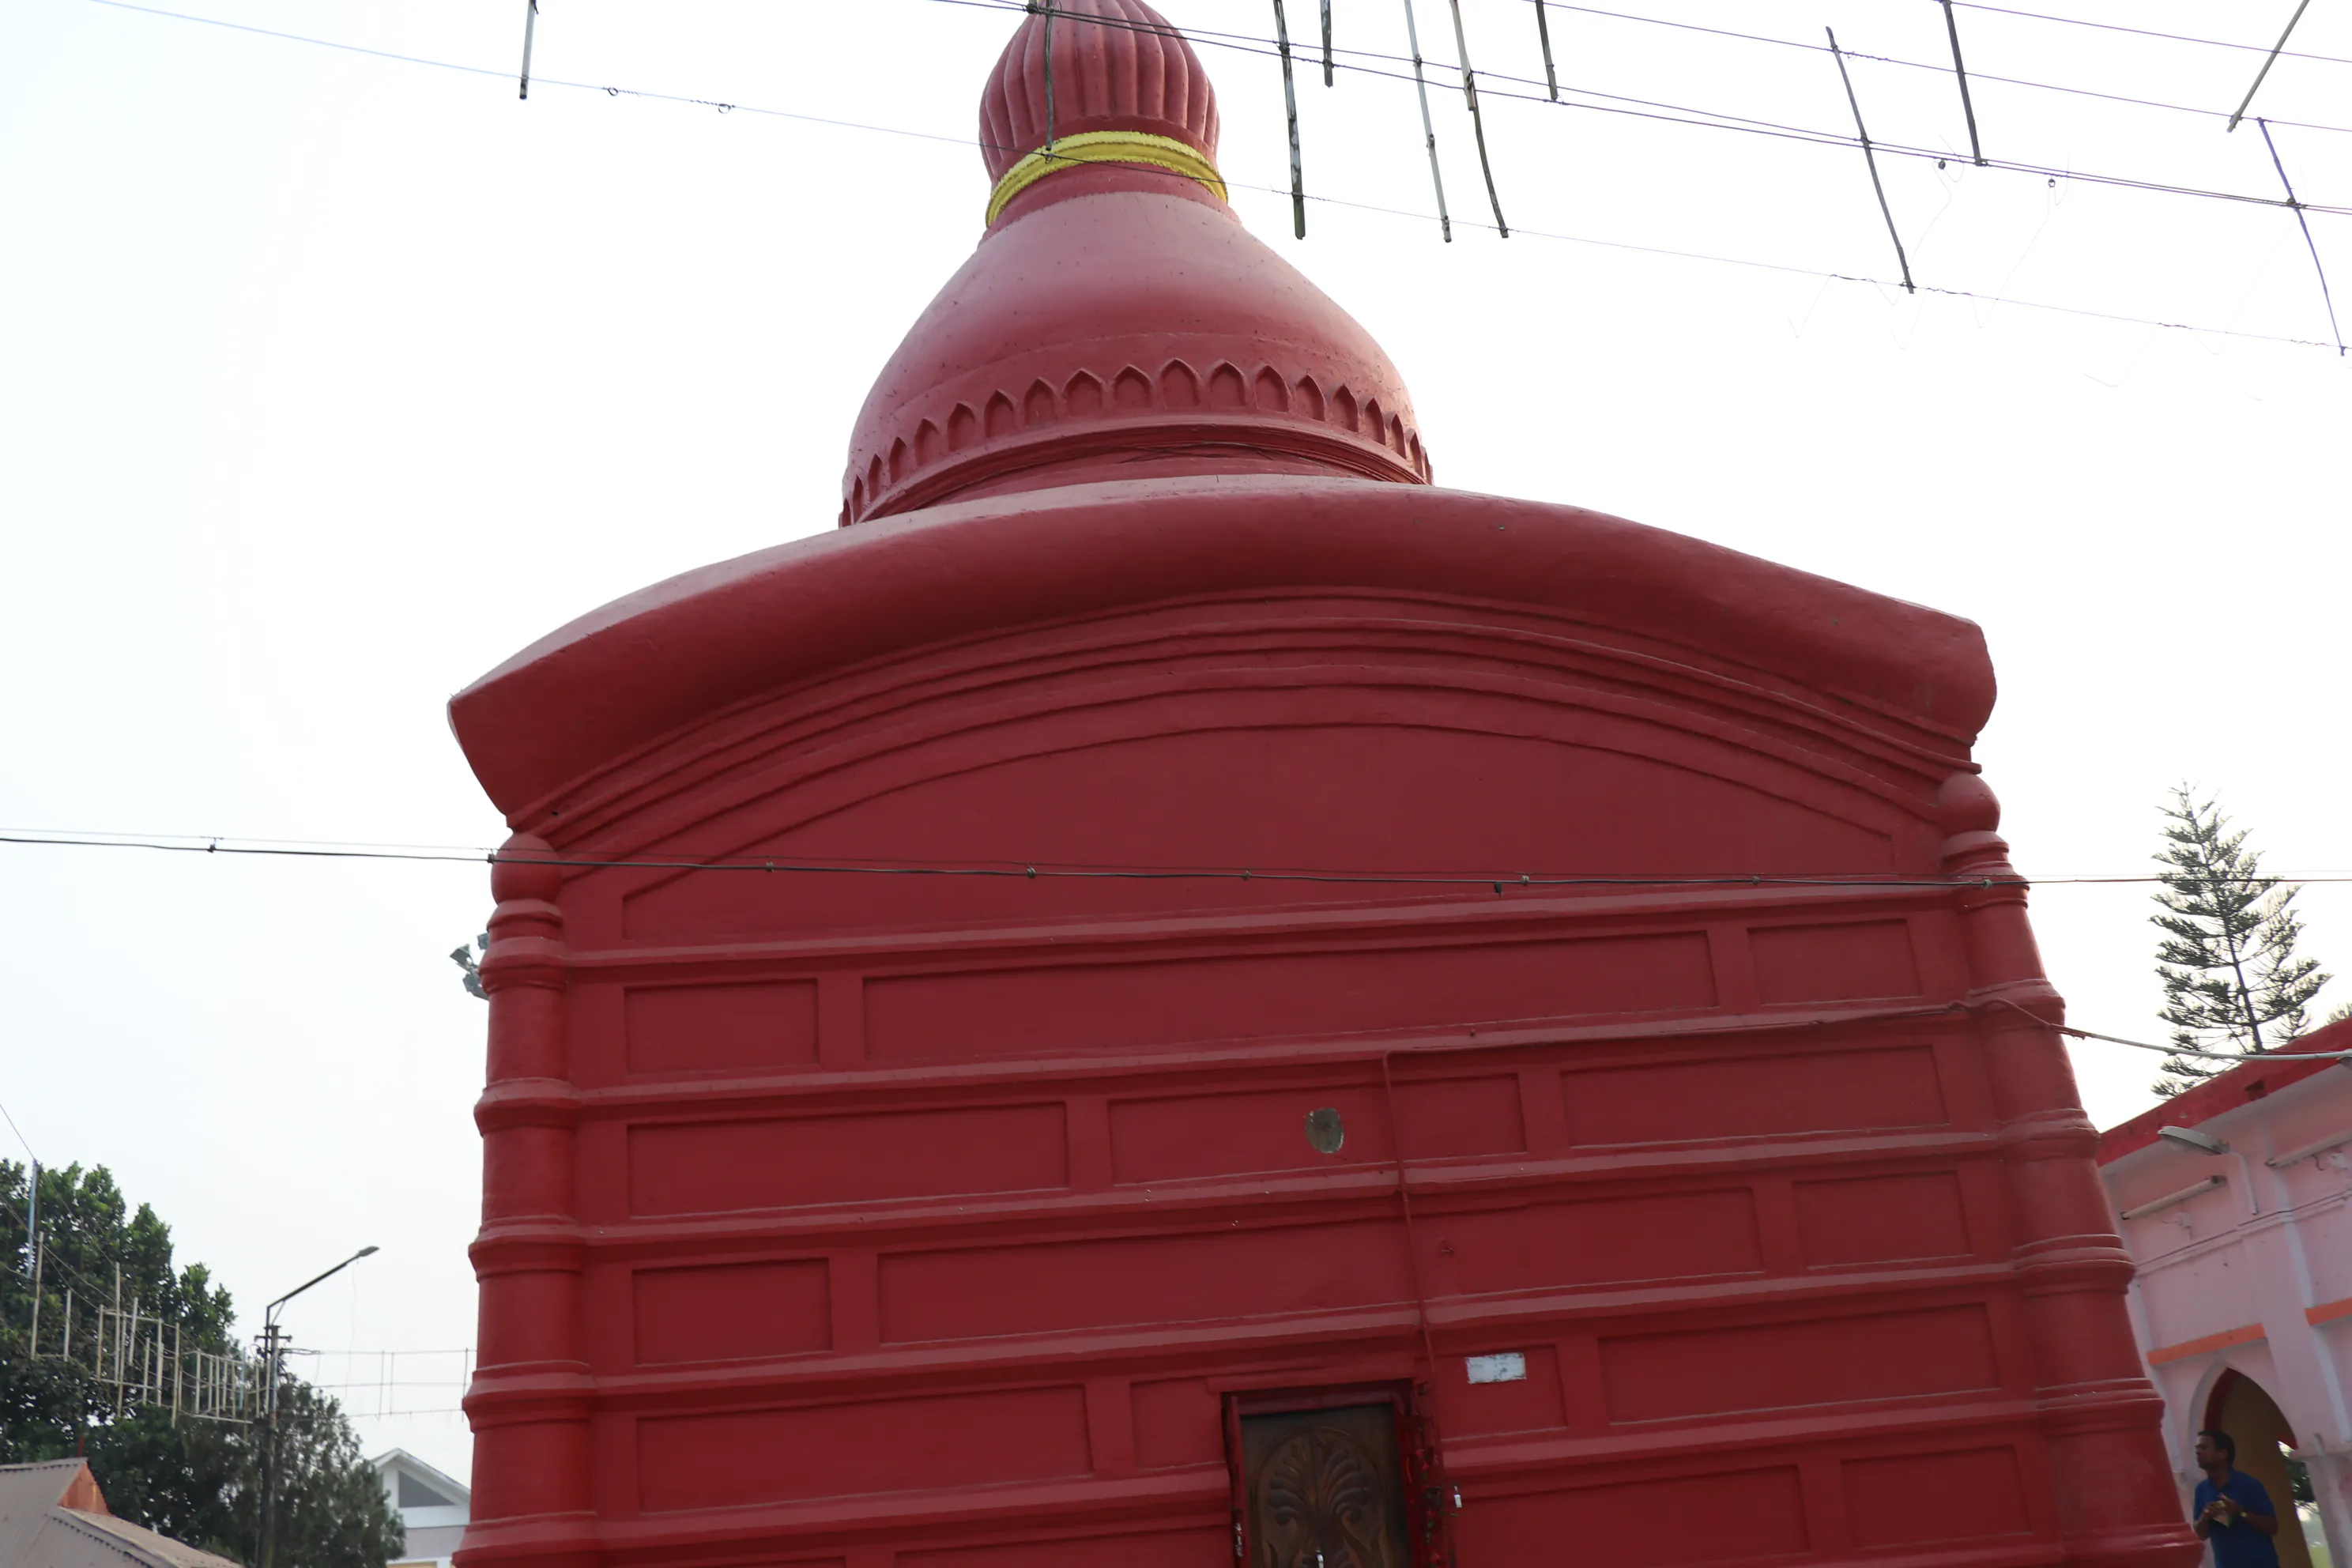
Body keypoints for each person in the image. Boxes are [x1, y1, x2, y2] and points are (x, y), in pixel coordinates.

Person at [2192, 1429, 2282, 1568]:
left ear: (2222, 1454)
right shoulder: (2201, 1490)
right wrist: (2205, 1516)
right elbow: (2200, 1535)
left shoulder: (2249, 1485)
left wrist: (2241, 1512)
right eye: (2197, 1449)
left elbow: (2272, 1527)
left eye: (2204, 1448)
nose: (2198, 1453)